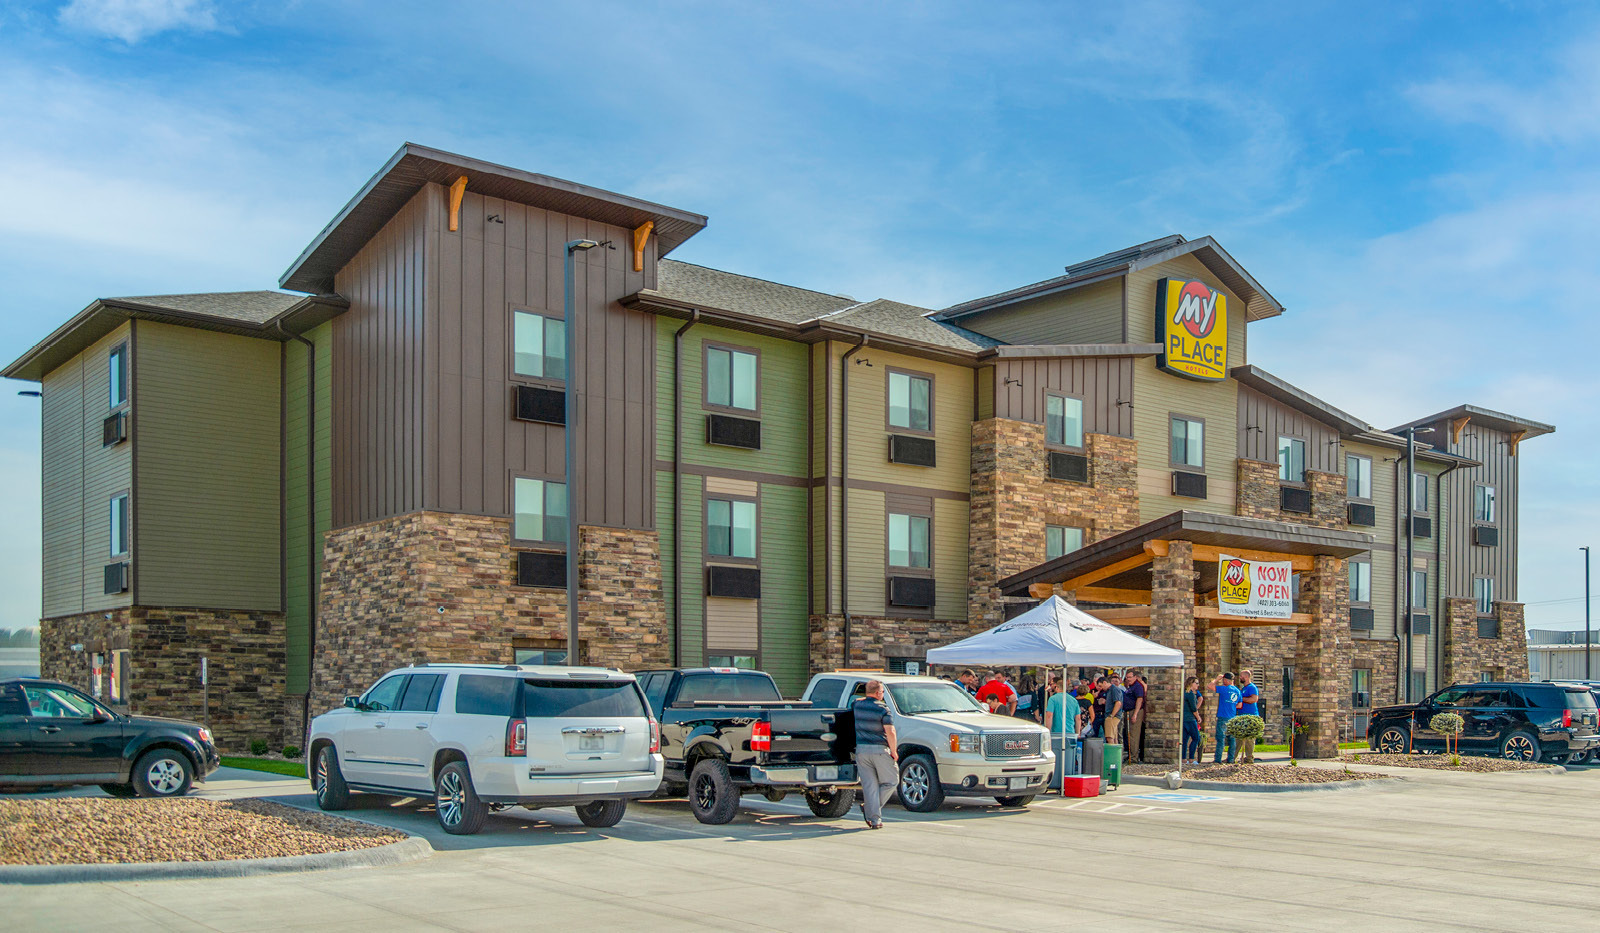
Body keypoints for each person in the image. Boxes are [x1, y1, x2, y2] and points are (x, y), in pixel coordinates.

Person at [851, 680, 899, 829]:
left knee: (869, 785)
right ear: (878, 693)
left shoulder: (857, 705)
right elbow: (890, 731)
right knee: (892, 781)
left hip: (861, 750)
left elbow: (856, 701)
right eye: (882, 692)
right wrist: (894, 751)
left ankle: (875, 819)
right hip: (879, 750)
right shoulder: (883, 709)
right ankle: (870, 811)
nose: (883, 695)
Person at [1213, 672, 1241, 764]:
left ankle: (1218, 759)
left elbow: (1210, 686)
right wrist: (1231, 706)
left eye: (1224, 680)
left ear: (1226, 680)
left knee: (1221, 739)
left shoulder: (1224, 689)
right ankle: (1231, 759)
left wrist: (1217, 679)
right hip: (1232, 717)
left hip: (1223, 717)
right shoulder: (1237, 691)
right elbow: (1239, 705)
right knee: (1232, 739)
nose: (1223, 681)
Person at [1122, 670, 1147, 763]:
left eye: (1129, 677)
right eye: (1127, 677)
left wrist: (1135, 714)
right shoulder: (1130, 687)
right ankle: (1130, 756)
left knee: (1133, 735)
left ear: (1135, 677)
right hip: (1128, 711)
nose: (1128, 679)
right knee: (1128, 735)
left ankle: (1134, 758)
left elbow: (1139, 700)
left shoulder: (1137, 687)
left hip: (1134, 711)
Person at [1182, 676, 1204, 764]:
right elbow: (1193, 709)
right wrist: (1198, 717)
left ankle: (1183, 758)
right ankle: (1191, 758)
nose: (1198, 685)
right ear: (1191, 683)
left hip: (1184, 719)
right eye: (1196, 683)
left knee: (1184, 739)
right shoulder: (1190, 694)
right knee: (1196, 738)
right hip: (1190, 719)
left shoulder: (1184, 693)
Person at [1100, 675, 1126, 747]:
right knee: (1114, 737)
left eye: (1101, 685)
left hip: (1112, 716)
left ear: (1105, 682)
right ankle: (1115, 756)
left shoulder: (1114, 689)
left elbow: (1118, 703)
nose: (1101, 688)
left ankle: (1112, 755)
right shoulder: (1110, 690)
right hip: (1113, 715)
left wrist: (1112, 715)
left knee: (1109, 737)